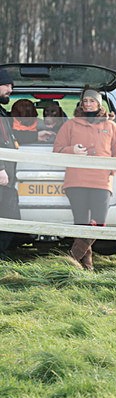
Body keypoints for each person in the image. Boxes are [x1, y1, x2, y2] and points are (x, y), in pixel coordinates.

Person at [52, 89, 116, 270]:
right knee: (81, 224)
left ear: (99, 104)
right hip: (76, 180)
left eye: (92, 101)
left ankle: (71, 259)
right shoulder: (70, 125)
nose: (88, 104)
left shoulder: (111, 127)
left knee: (99, 222)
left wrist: (111, 170)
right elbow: (57, 149)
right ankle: (87, 266)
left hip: (101, 181)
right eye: (85, 101)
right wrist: (72, 150)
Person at [0, 71, 22, 259]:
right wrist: (0, 169)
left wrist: (36, 136)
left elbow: (8, 137)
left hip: (7, 176)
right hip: (1, 175)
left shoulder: (1, 112)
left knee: (10, 215)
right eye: (7, 85)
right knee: (9, 215)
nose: (10, 90)